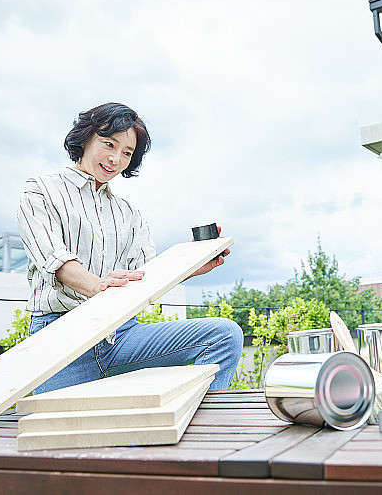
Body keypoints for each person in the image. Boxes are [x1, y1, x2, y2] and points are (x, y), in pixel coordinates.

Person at [17, 102, 243, 394]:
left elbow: (147, 273)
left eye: (126, 153)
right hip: (60, 339)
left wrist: (189, 266)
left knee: (224, 335)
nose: (115, 159)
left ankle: (199, 427)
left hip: (121, 334)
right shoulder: (41, 190)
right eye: (108, 144)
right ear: (85, 138)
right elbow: (55, 261)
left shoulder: (128, 212)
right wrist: (99, 286)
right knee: (59, 435)